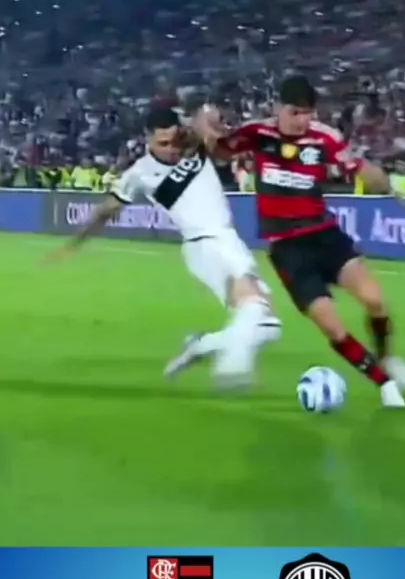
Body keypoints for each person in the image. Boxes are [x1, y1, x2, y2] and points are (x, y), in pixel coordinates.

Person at [194, 76, 405, 409]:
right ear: (278, 108)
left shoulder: (324, 138)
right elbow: (219, 150)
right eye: (295, 112)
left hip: (324, 235)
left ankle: (386, 359)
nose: (301, 120)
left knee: (375, 301)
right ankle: (384, 384)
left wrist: (389, 187)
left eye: (307, 113)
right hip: (288, 249)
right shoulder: (257, 133)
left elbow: (359, 168)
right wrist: (207, 128)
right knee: (333, 327)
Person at [50, 104, 281, 387]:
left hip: (225, 239)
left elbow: (208, 115)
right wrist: (75, 243)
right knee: (254, 305)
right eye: (163, 143)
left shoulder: (193, 144)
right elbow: (104, 212)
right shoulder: (140, 174)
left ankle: (202, 344)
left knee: (268, 326)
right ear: (148, 138)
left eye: (174, 141)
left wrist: (205, 120)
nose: (171, 149)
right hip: (205, 243)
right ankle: (232, 366)